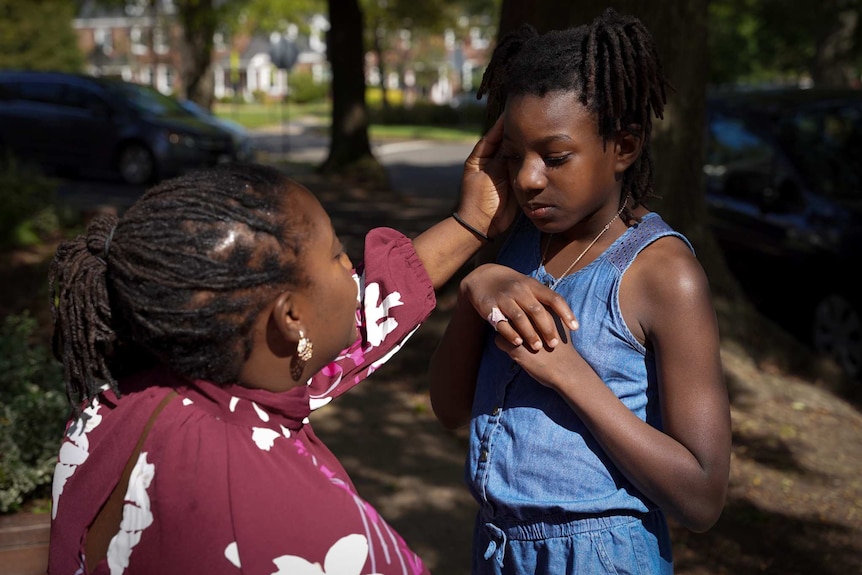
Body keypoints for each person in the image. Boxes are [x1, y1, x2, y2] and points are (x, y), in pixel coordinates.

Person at [47, 143, 514, 574]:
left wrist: (470, 222)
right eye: (336, 255)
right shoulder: (300, 524)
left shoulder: (112, 407)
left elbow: (369, 312)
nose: (353, 268)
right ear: (291, 318)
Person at [429, 8, 732, 575]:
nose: (527, 179)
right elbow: (449, 408)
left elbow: (702, 497)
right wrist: (477, 283)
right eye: (515, 156)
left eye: (555, 156)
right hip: (498, 549)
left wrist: (570, 374)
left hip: (601, 557)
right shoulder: (519, 241)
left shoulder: (661, 273)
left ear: (623, 146)